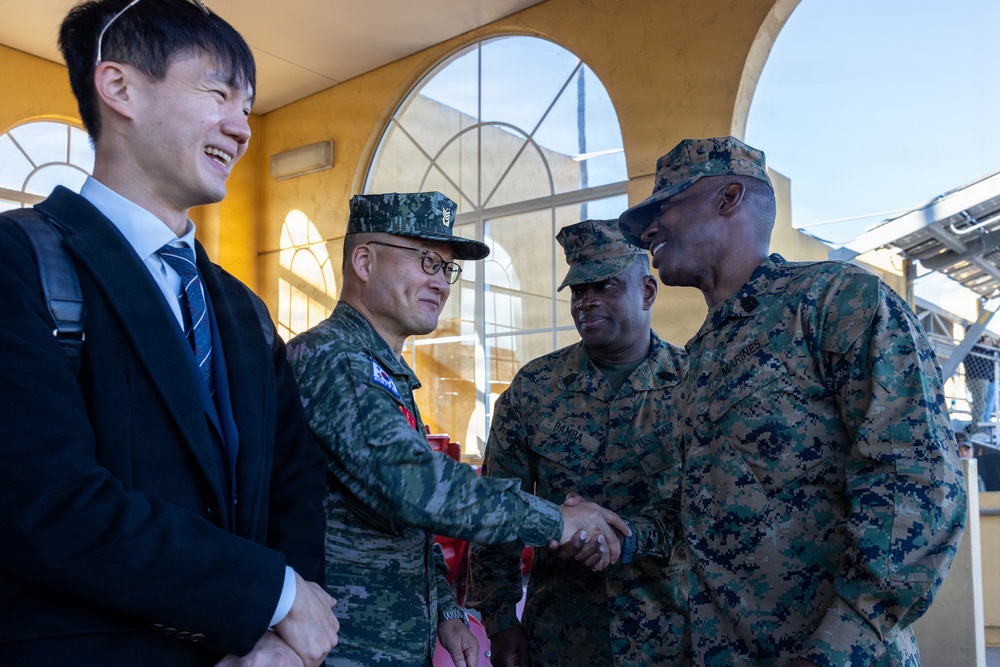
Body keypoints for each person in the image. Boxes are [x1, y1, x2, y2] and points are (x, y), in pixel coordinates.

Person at [0, 1, 339, 664]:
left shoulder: (242, 307)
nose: (241, 129)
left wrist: (280, 637)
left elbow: (295, 482)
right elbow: (46, 501)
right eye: (218, 93)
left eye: (248, 106)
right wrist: (270, 596)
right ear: (119, 87)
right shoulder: (20, 261)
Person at [620, 136, 967, 666]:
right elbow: (698, 513)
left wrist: (836, 647)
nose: (647, 231)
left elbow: (916, 477)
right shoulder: (700, 356)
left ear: (729, 197)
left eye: (663, 207)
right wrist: (609, 530)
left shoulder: (836, 302)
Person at [286, 193, 632, 667]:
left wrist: (446, 610)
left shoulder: (379, 368)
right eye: (427, 261)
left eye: (446, 269)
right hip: (343, 648)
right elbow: (413, 485)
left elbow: (405, 523)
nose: (441, 283)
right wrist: (557, 519)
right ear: (364, 262)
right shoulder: (336, 359)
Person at [465, 218, 689, 667]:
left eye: (605, 286)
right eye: (578, 290)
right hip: (561, 637)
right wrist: (500, 619)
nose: (587, 302)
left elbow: (712, 508)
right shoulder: (535, 387)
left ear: (647, 292)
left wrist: (622, 539)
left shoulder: (694, 381)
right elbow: (495, 509)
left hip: (671, 635)